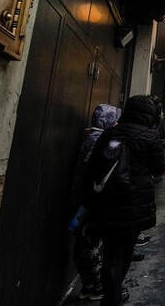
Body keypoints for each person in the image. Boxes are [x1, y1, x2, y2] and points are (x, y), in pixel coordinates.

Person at [85, 95, 165, 306]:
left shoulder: (111, 133)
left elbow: (93, 165)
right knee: (127, 249)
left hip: (108, 203)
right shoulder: (151, 137)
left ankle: (111, 297)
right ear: (150, 115)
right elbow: (160, 168)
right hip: (136, 203)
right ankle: (114, 294)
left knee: (111, 252)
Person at [70, 103, 121, 301]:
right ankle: (96, 284)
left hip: (84, 199)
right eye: (114, 119)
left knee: (86, 242)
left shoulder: (93, 138)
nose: (117, 123)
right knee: (89, 242)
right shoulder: (100, 140)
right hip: (92, 200)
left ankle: (90, 283)